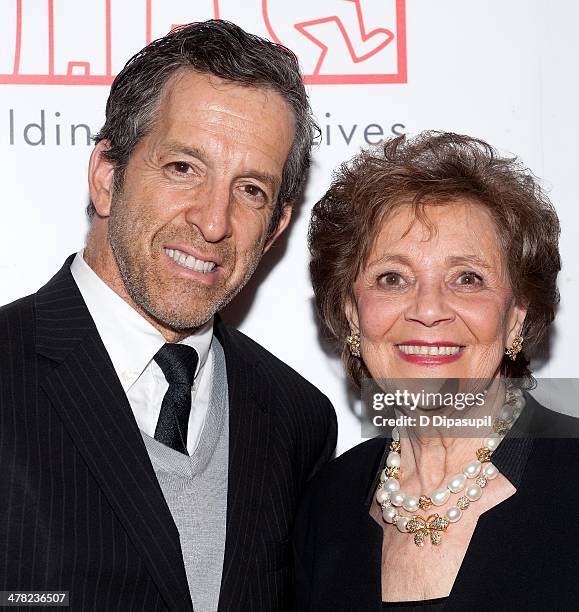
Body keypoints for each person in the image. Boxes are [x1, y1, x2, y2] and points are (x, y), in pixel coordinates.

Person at [0, 20, 337, 611]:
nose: (213, 221)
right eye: (183, 167)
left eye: (251, 190)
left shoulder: (298, 421)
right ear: (108, 176)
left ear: (277, 226)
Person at [295, 132, 579, 610]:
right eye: (392, 278)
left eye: (467, 278)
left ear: (516, 316)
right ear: (354, 314)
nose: (428, 310)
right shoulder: (325, 506)